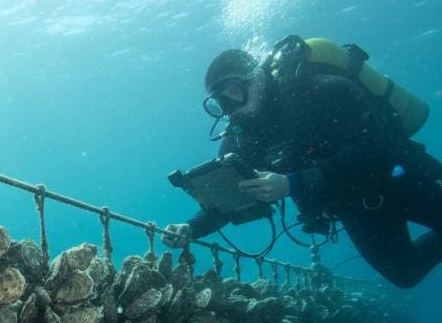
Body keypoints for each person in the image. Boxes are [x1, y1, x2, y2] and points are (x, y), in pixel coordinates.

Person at [163, 47, 442, 288]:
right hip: (353, 205)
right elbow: (236, 196)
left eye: (234, 92)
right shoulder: (241, 140)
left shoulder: (324, 90)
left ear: (258, 77)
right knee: (405, 273)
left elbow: (374, 150)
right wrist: (192, 227)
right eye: (219, 102)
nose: (229, 108)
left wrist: (292, 183)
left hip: (403, 178)